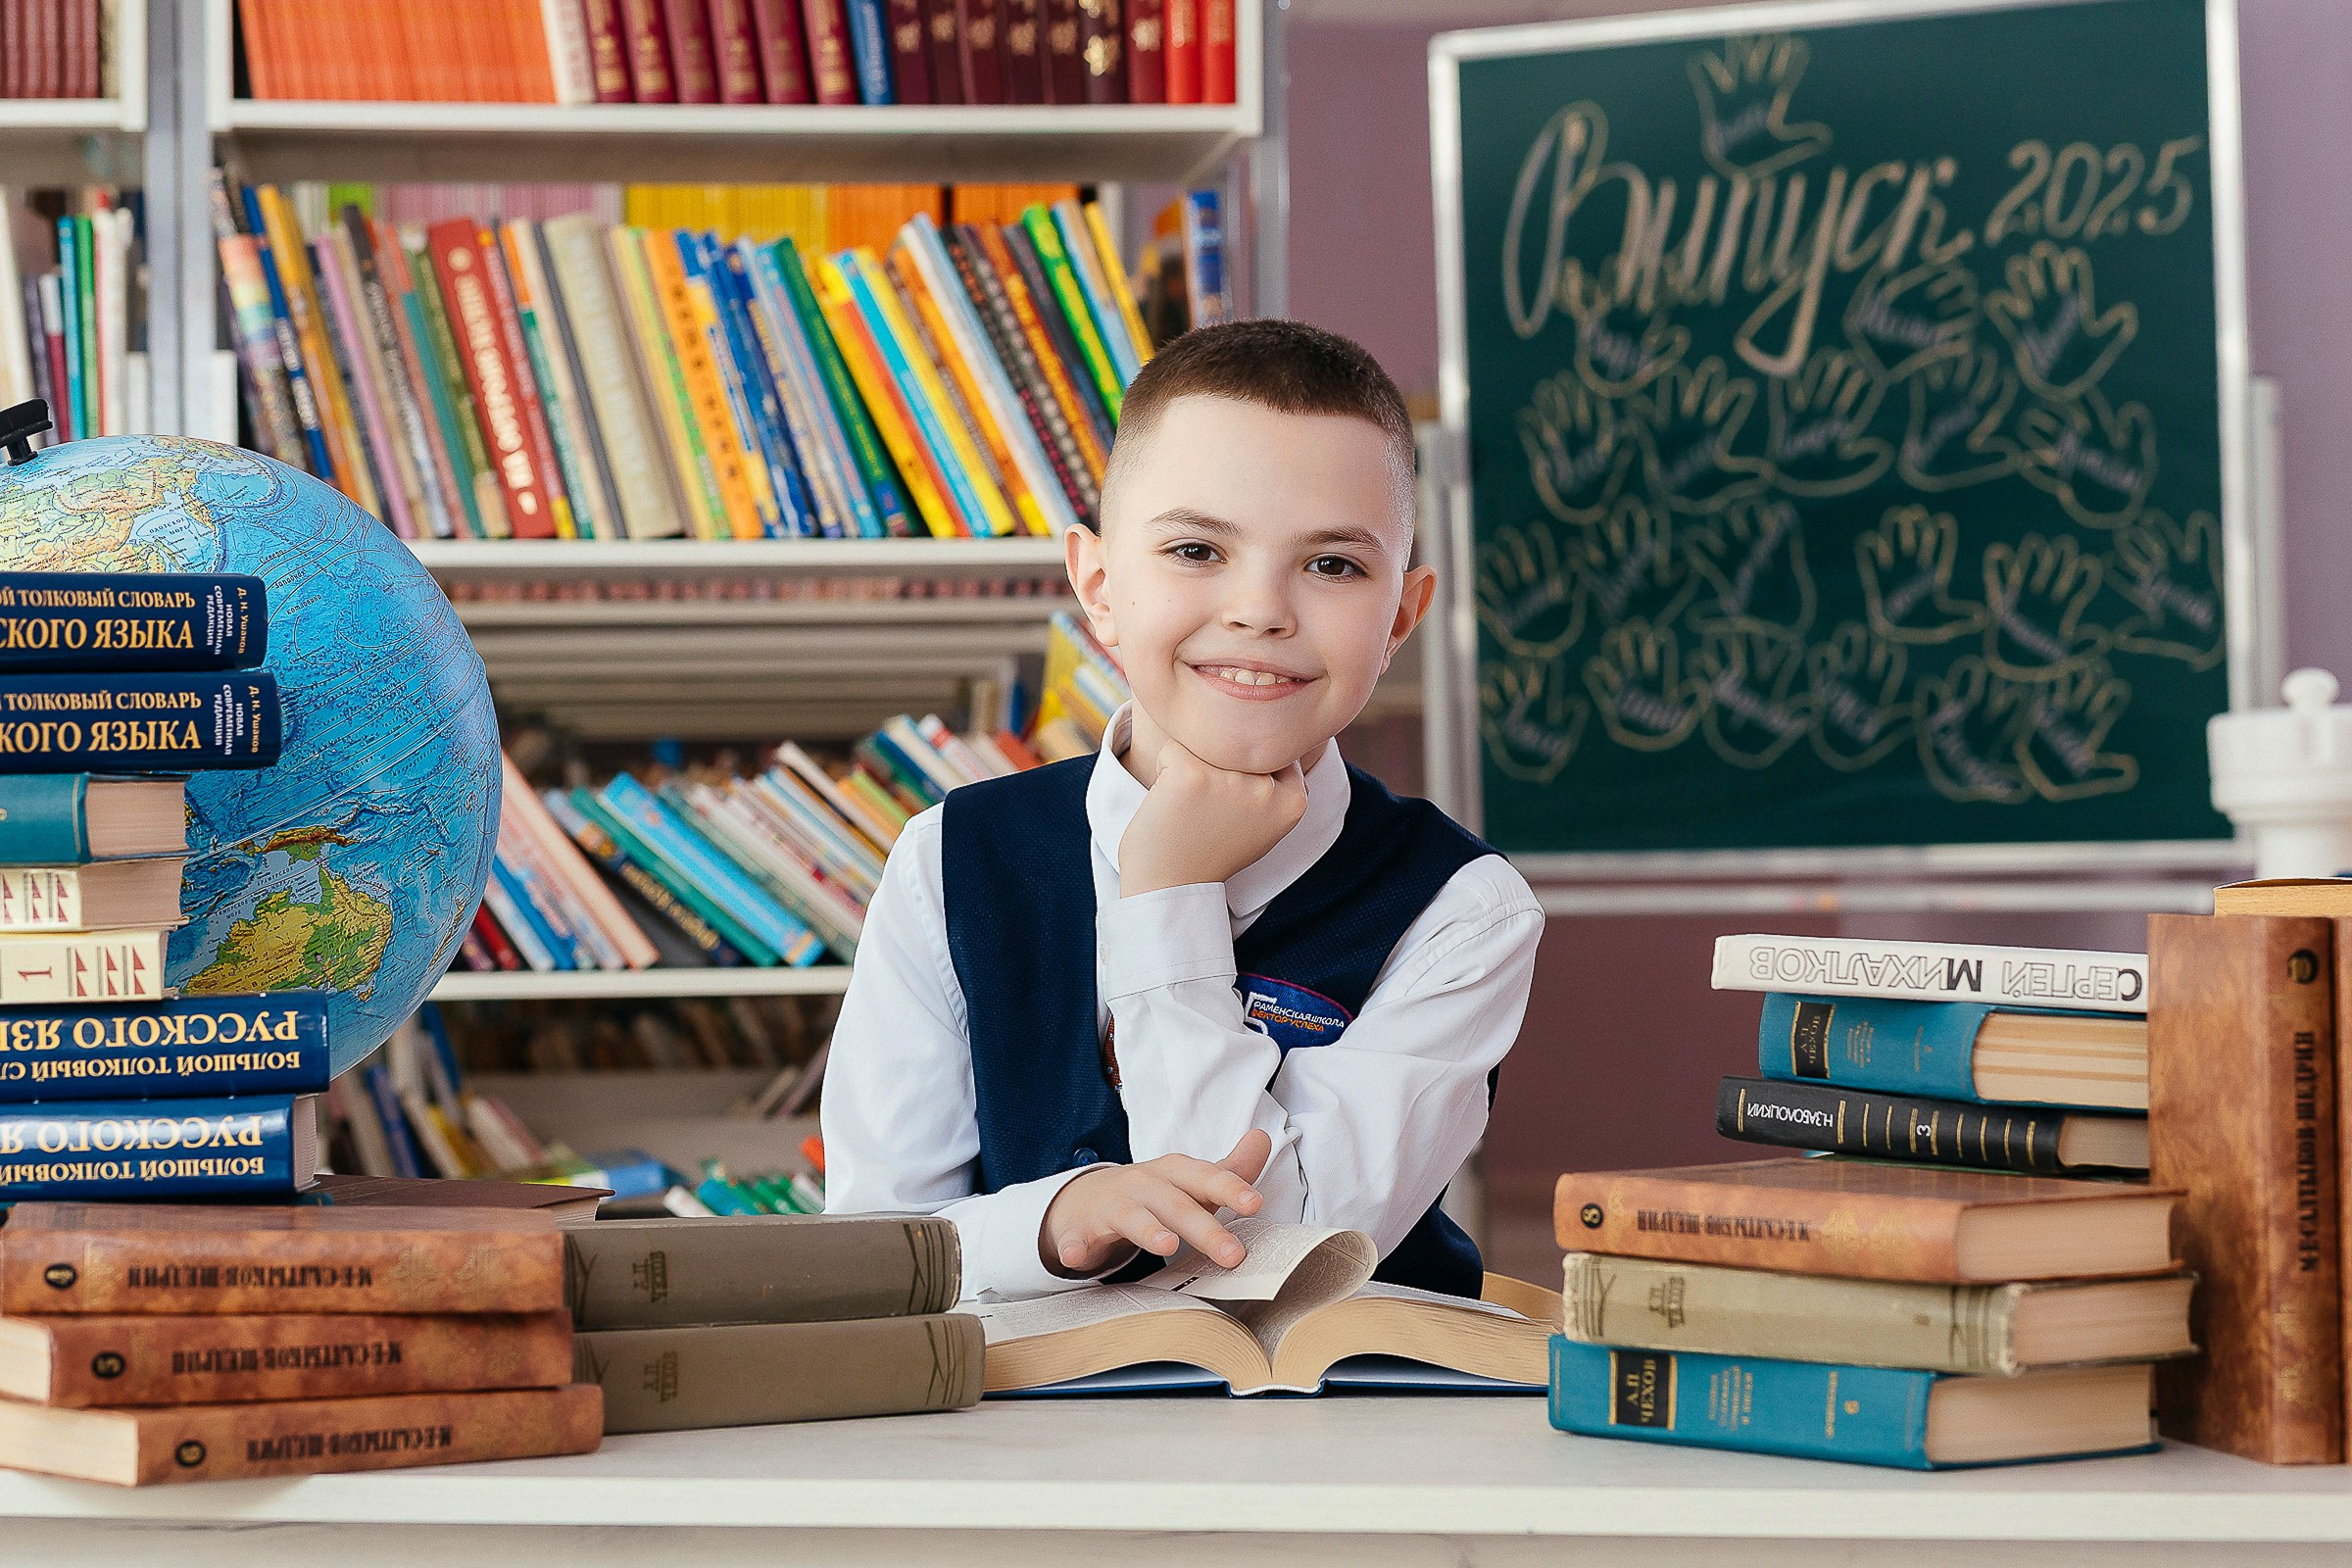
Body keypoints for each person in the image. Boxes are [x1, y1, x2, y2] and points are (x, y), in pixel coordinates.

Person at [822, 318, 1544, 1300]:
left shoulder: (1464, 908)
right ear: (1100, 585)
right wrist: (1046, 1223)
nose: (1259, 610)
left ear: (1401, 618)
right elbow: (870, 1253)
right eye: (1198, 548)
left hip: (1347, 1428)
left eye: (1332, 564)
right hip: (1019, 1441)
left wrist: (1169, 890)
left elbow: (1279, 1263)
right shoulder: (950, 858)